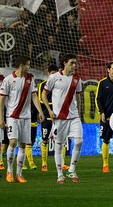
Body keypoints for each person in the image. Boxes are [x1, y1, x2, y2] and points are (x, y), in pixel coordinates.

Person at [0, 55, 44, 183]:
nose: (29, 67)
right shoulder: (8, 80)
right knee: (12, 142)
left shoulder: (30, 78)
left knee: (23, 144)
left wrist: (40, 111)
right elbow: (1, 99)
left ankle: (19, 174)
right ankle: (9, 171)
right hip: (12, 116)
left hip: (26, 117)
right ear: (21, 66)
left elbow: (34, 95)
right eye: (28, 65)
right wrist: (0, 118)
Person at [41, 54, 83, 184]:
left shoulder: (77, 79)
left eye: (75, 63)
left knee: (79, 141)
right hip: (59, 118)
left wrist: (80, 113)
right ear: (65, 63)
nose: (74, 65)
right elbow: (43, 93)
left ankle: (72, 170)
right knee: (58, 146)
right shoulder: (54, 77)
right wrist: (49, 110)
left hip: (74, 116)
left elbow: (79, 97)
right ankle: (60, 175)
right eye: (72, 63)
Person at [96, 61, 113, 173]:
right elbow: (98, 99)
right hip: (106, 117)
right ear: (108, 70)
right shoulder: (102, 83)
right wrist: (101, 112)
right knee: (106, 140)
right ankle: (105, 165)